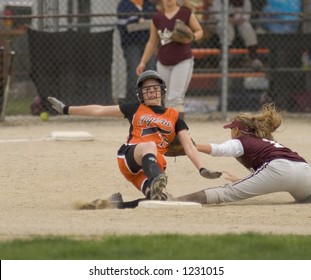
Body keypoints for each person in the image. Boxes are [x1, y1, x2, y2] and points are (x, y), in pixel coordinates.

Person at [47, 70, 222, 205]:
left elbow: (189, 146)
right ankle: (157, 178)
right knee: (149, 146)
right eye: (147, 90)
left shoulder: (174, 116)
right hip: (131, 156)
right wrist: (66, 109)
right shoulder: (135, 108)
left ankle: (114, 205)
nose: (151, 92)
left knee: (159, 199)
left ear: (162, 92)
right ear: (141, 94)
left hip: (153, 164)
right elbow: (99, 109)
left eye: (155, 88)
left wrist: (202, 169)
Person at [176, 103, 311, 205]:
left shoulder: (243, 140)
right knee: (306, 199)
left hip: (278, 169)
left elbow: (220, 149)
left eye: (231, 129)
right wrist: (245, 180)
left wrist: (193, 146)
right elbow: (273, 169)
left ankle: (176, 200)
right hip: (304, 168)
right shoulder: (266, 141)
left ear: (236, 130)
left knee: (225, 192)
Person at [136, 0, 203, 119]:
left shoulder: (185, 13)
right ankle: (167, 128)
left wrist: (191, 37)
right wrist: (143, 62)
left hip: (183, 60)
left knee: (175, 97)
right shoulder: (157, 17)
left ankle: (179, 131)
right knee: (164, 97)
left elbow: (199, 31)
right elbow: (152, 42)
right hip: (163, 62)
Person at [117, 0, 157, 104]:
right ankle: (132, 102)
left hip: (148, 43)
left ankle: (150, 102)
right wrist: (137, 20)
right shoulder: (124, 4)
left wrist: (140, 22)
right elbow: (124, 25)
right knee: (134, 72)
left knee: (151, 71)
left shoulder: (149, 4)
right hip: (131, 44)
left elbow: (155, 22)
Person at [210, 0, 263, 69]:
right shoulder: (219, 1)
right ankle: (224, 60)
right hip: (224, 21)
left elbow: (247, 13)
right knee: (228, 31)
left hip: (239, 20)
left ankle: (254, 59)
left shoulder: (245, 1)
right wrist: (228, 19)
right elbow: (217, 14)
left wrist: (242, 18)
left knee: (247, 28)